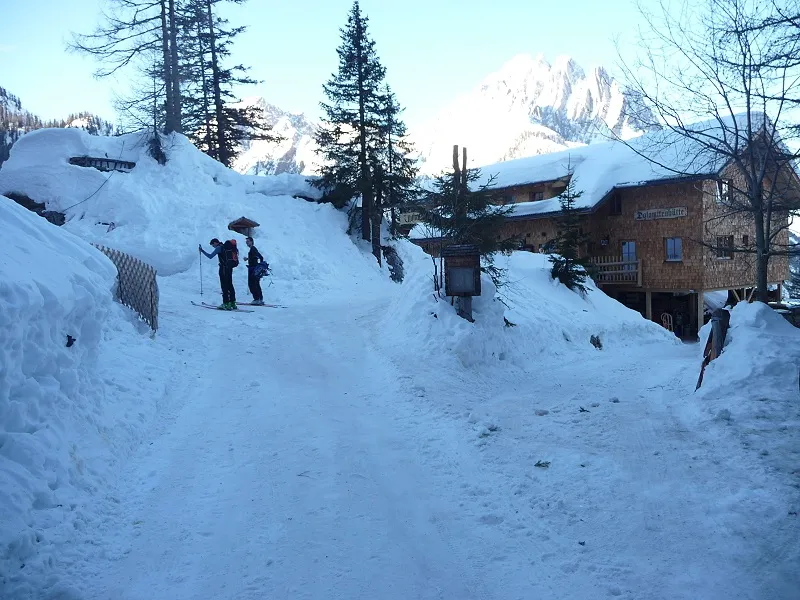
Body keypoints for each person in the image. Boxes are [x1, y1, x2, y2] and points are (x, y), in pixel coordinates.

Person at [199, 238, 237, 310]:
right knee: (230, 284)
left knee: (224, 286)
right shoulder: (226, 247)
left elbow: (210, 256)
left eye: (213, 245)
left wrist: (202, 251)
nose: (213, 247)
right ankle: (233, 303)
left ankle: (226, 303)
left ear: (215, 242)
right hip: (229, 268)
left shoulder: (219, 248)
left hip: (223, 269)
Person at [245, 236, 265, 305]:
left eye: (248, 241)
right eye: (246, 242)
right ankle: (260, 299)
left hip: (253, 269)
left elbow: (258, 257)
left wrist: (257, 265)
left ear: (252, 242)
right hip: (254, 268)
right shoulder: (253, 249)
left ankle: (257, 299)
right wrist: (249, 259)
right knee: (256, 284)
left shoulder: (253, 249)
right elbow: (260, 257)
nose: (247, 243)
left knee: (252, 284)